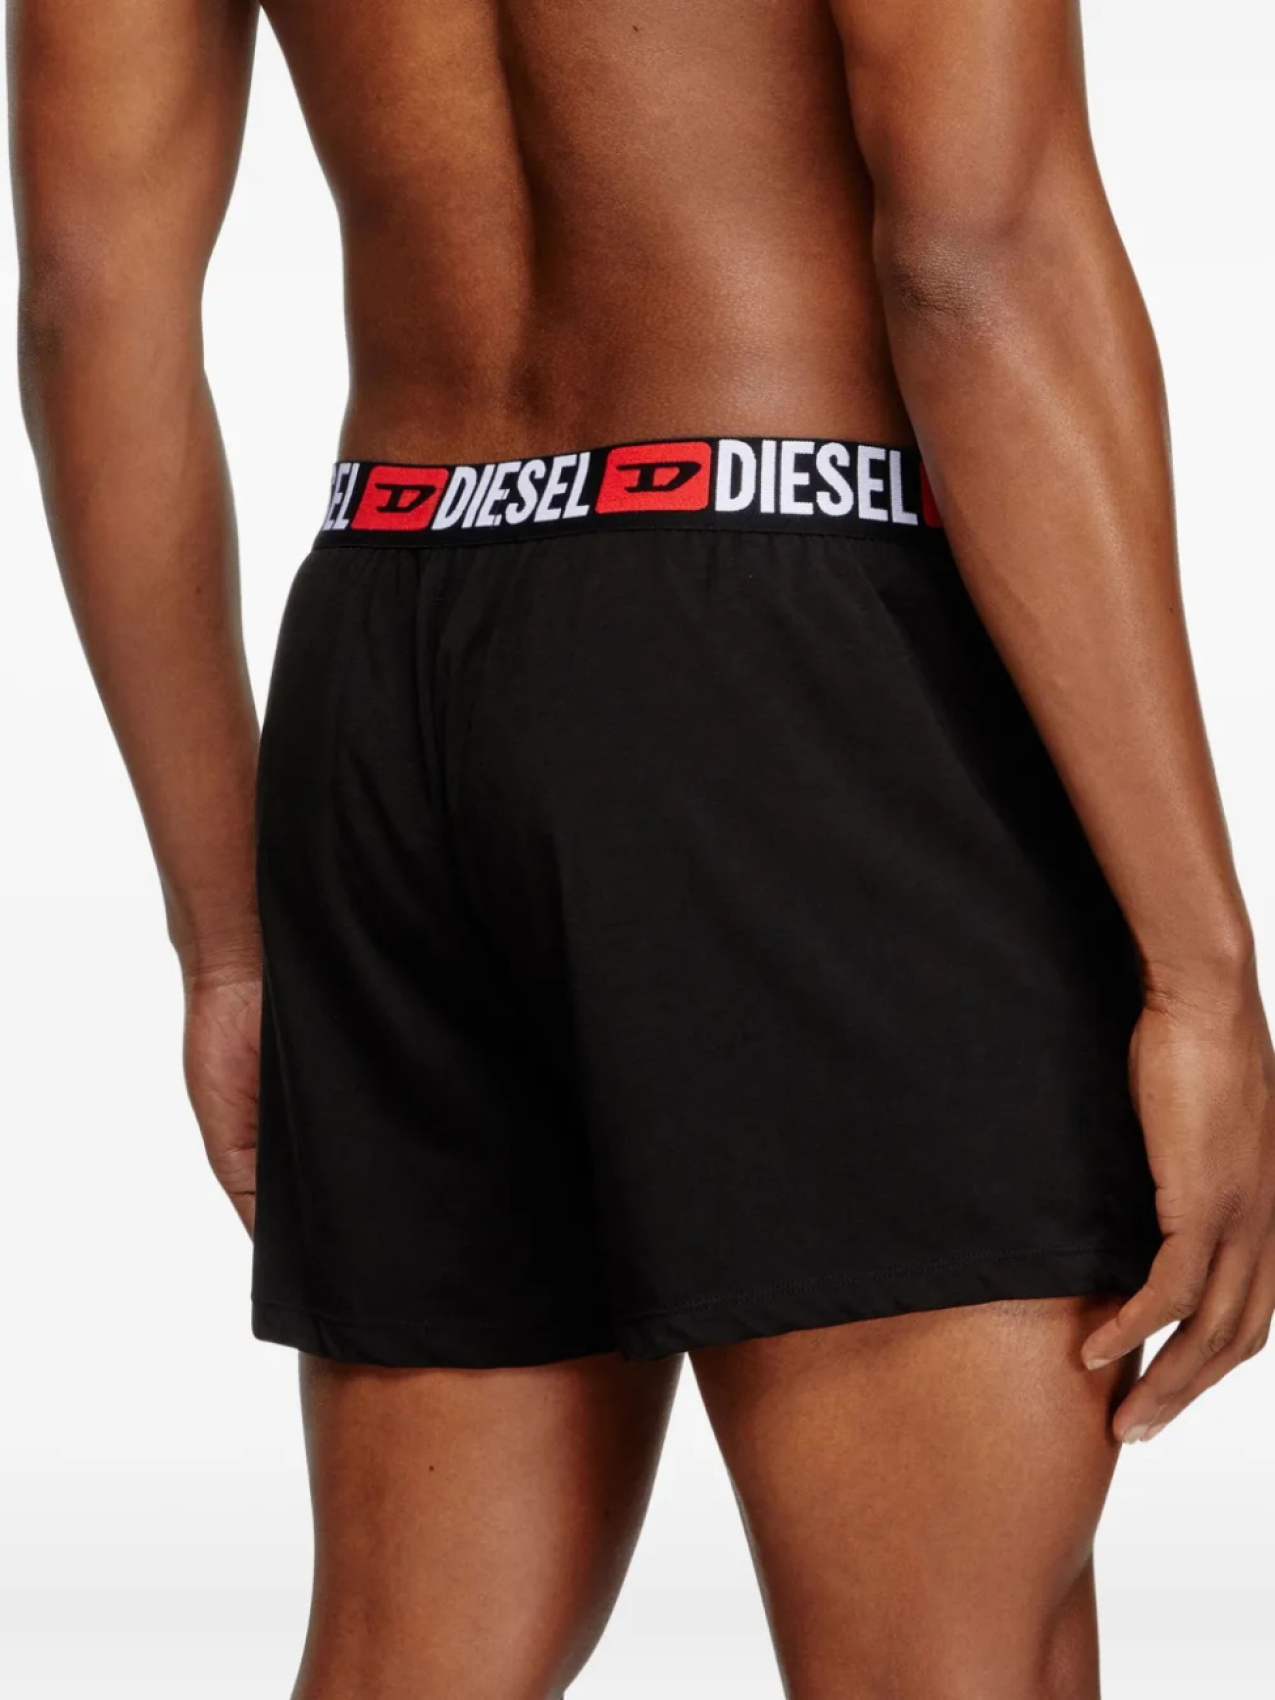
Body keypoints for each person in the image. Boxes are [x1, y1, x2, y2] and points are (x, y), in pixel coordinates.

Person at [12, 1, 1275, 1694]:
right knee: (961, 1658)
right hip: (796, 652)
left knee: (411, 1660)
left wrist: (226, 936)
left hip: (389, 638)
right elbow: (979, 252)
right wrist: (1202, 974)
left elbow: (87, 298)